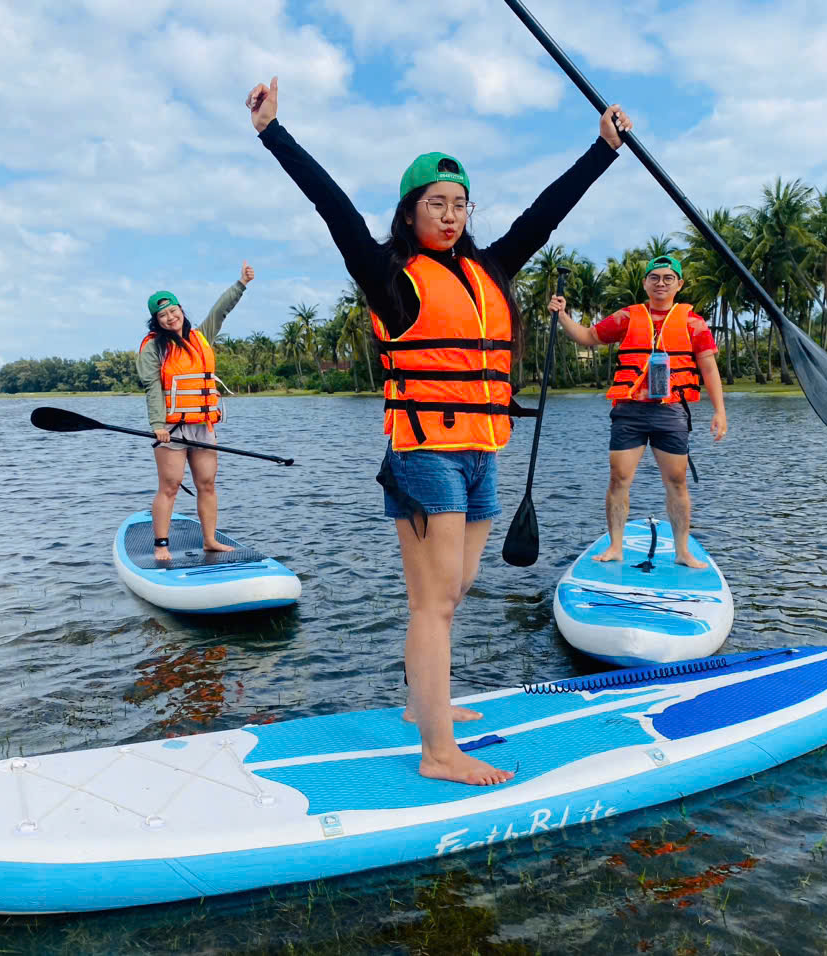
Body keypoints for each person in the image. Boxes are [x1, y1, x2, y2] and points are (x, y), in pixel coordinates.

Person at [246, 75, 632, 786]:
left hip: (483, 453)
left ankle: (424, 704)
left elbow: (543, 218)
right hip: (426, 453)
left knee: (452, 594)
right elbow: (333, 210)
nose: (449, 216)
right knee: (433, 603)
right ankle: (435, 751)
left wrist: (601, 151)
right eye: (436, 204)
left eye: (459, 204)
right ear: (412, 211)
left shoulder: (487, 269)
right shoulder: (392, 277)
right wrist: (275, 133)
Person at [552, 254, 727, 569]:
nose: (661, 283)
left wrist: (720, 412)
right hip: (630, 411)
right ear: (645, 283)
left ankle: (683, 551)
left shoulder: (692, 322)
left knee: (676, 481)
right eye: (655, 278)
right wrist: (562, 315)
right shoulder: (627, 317)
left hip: (671, 411)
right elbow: (589, 337)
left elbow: (709, 368)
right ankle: (616, 546)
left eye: (668, 278)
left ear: (679, 284)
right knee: (619, 478)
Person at [137, 262, 256, 562]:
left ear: (180, 310)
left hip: (203, 424)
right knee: (170, 486)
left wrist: (241, 283)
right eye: (162, 315)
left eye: (173, 311)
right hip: (172, 428)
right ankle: (161, 545)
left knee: (207, 483)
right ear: (157, 320)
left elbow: (221, 309)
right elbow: (152, 387)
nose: (170, 317)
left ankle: (210, 540)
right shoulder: (154, 348)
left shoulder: (202, 335)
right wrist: (157, 424)